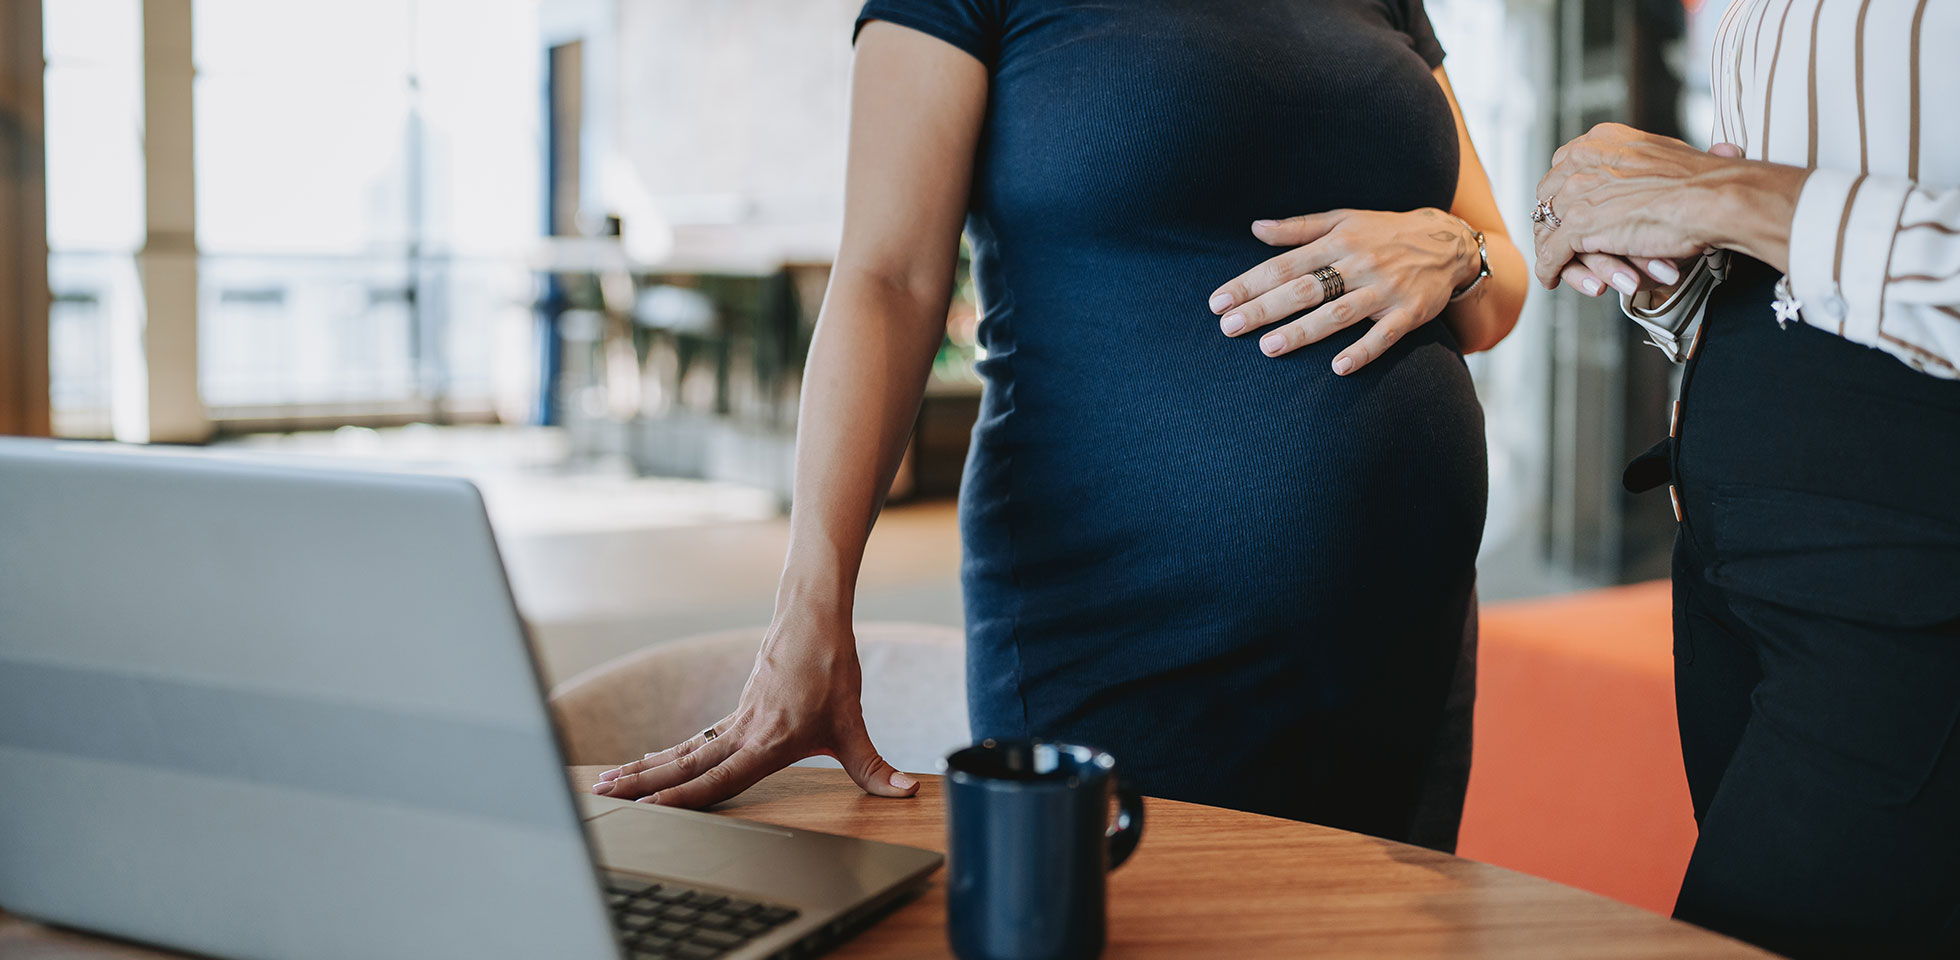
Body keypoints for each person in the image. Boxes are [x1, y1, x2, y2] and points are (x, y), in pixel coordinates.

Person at [591, 0, 1526, 851]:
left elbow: (1499, 288)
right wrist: (810, 607)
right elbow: (889, 280)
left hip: (1406, 634)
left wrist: (1459, 249)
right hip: (1125, 627)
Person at [1531, 1, 1960, 955]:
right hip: (1730, 544)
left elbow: (1769, 204)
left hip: (1904, 552)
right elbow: (1789, 270)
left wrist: (1722, 194)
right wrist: (1662, 255)